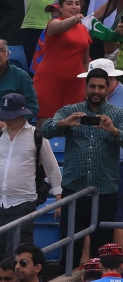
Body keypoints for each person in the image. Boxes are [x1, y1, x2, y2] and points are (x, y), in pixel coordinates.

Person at [41, 69, 123, 268]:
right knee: (69, 250)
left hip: (105, 192)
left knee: (101, 252)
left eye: (101, 87)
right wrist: (64, 123)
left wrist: (113, 131)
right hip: (74, 191)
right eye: (92, 86)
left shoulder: (117, 114)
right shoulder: (71, 110)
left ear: (108, 88)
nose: (96, 91)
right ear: (85, 87)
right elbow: (45, 130)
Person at [0, 94, 61, 260]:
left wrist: (59, 199)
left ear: (22, 115)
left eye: (11, 116)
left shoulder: (36, 136)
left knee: (16, 256)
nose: (8, 120)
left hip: (22, 204)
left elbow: (52, 168)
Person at [33, 0, 91, 122]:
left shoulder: (84, 30)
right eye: (69, 3)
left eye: (77, 3)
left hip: (75, 85)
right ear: (60, 7)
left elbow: (85, 61)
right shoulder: (54, 23)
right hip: (50, 82)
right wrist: (74, 20)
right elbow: (60, 27)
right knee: (46, 127)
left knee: (74, 126)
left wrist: (85, 84)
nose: (74, 7)